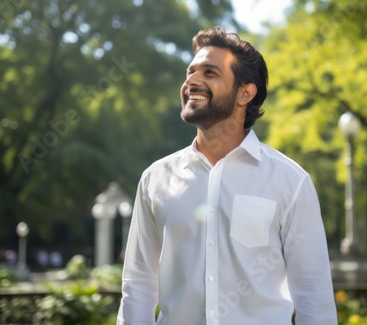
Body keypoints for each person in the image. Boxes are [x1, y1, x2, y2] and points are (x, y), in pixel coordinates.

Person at [117, 26, 337, 325]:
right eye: (190, 72)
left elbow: (314, 296)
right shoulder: (156, 179)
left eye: (210, 73)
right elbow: (139, 285)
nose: (192, 81)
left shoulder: (290, 181)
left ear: (245, 93)